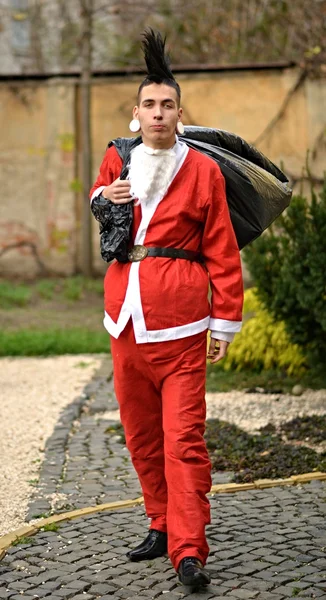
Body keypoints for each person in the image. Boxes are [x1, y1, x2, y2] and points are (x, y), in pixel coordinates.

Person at [90, 29, 243, 589]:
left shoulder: (203, 171)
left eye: (168, 105)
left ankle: (189, 548)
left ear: (181, 113)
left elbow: (222, 249)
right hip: (125, 318)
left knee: (183, 439)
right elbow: (96, 196)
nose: (158, 113)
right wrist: (101, 198)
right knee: (141, 433)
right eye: (149, 104)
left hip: (181, 323)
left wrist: (225, 319)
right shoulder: (118, 157)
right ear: (137, 113)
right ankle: (159, 523)